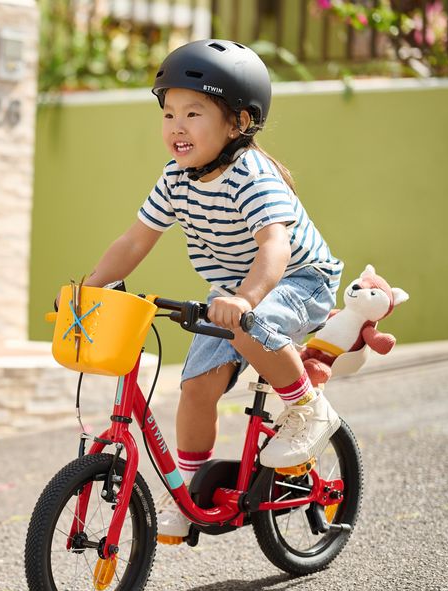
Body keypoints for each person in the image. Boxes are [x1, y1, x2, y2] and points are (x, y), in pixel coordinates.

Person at [79, 40, 344, 545]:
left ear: (238, 122)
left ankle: (309, 409)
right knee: (196, 388)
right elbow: (135, 240)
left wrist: (245, 301)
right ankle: (190, 494)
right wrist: (89, 287)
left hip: (299, 280)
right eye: (169, 114)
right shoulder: (175, 179)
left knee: (246, 327)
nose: (176, 126)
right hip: (231, 292)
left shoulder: (252, 176)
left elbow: (275, 247)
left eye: (193, 113)